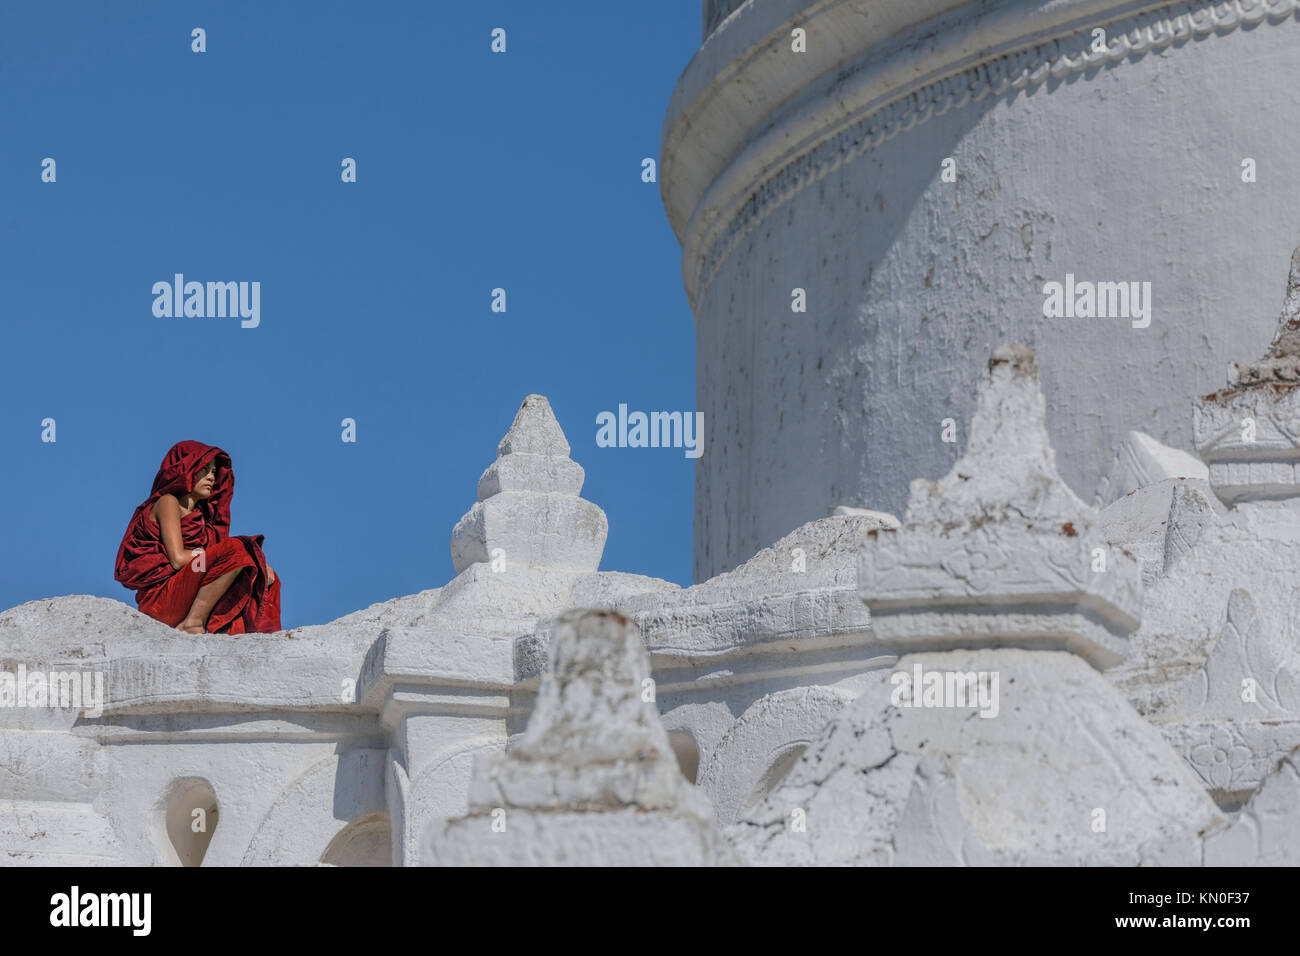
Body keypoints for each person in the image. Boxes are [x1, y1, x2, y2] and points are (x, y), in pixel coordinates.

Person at [115, 441, 281, 634]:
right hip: (161, 598)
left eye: (213, 471)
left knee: (262, 574)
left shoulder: (204, 519)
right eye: (204, 469)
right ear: (186, 469)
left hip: (188, 586)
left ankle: (245, 637)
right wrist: (211, 554)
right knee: (238, 549)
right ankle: (192, 623)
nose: (211, 477)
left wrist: (253, 561)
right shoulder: (168, 502)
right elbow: (178, 560)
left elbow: (214, 566)